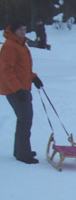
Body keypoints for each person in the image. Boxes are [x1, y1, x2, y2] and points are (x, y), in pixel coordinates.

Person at [0, 19, 44, 164]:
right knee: (25, 119)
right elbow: (7, 71)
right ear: (13, 31)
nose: (23, 32)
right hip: (15, 89)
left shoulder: (20, 44)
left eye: (24, 29)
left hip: (22, 87)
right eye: (20, 29)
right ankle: (23, 154)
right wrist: (17, 90)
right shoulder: (11, 46)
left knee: (24, 120)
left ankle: (20, 150)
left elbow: (22, 69)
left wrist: (33, 77)